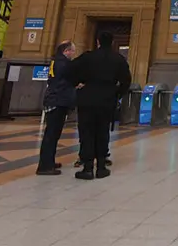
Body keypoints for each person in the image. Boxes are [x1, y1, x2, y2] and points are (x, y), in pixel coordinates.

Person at [66, 32, 132, 180]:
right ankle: (101, 167)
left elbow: (70, 71)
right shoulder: (118, 59)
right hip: (107, 99)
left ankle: (87, 167)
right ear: (112, 42)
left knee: (86, 132)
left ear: (98, 42)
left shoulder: (88, 57)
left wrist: (78, 83)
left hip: (87, 98)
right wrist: (117, 94)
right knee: (103, 132)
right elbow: (126, 81)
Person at [36, 41, 78, 175]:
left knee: (53, 134)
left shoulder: (56, 61)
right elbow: (71, 79)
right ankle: (44, 166)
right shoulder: (64, 64)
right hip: (58, 100)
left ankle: (49, 161)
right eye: (72, 51)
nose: (73, 54)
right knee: (52, 134)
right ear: (66, 51)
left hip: (54, 99)